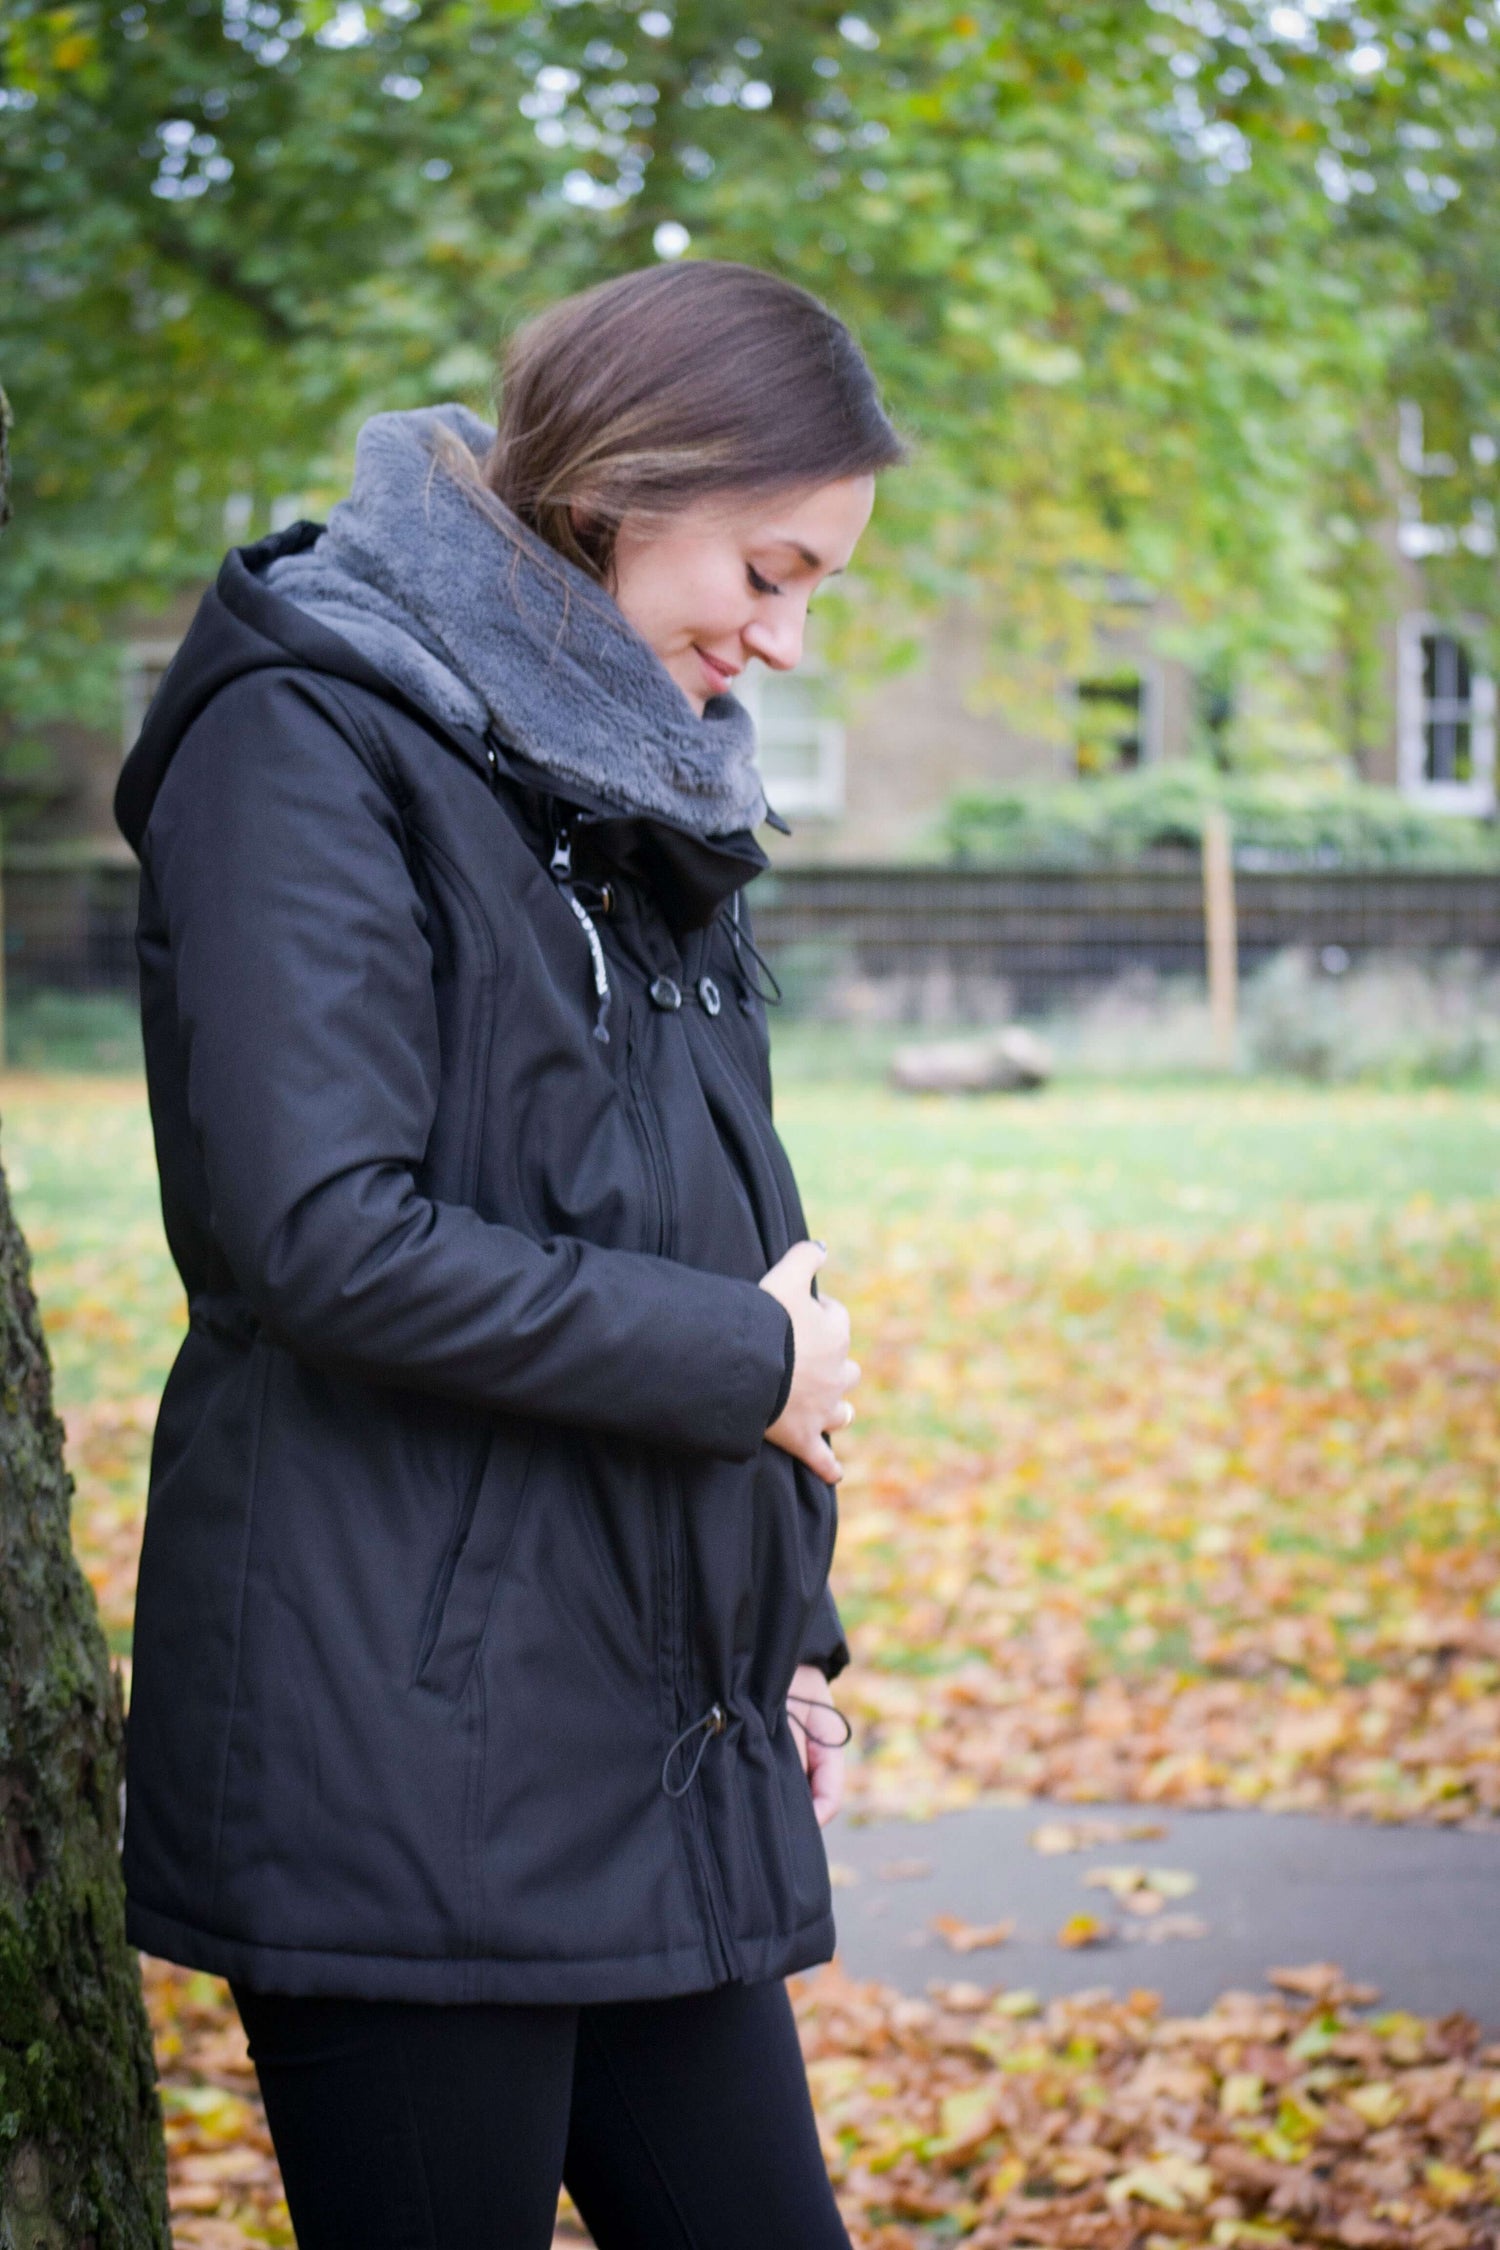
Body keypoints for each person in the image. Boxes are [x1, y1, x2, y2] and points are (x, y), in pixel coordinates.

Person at [115, 259, 904, 2247]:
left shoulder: (626, 771)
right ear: (627, 482)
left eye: (816, 590)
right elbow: (321, 1235)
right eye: (771, 570)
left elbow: (685, 1211)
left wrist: (782, 1631)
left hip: (651, 1731)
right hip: (397, 1751)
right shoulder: (309, 733)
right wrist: (747, 1365)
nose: (787, 638)